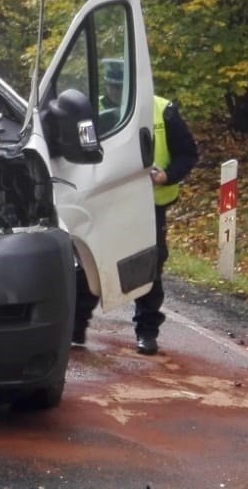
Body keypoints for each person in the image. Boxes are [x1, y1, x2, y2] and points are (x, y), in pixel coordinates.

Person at [72, 63, 199, 355]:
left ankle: (147, 331)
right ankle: (76, 328)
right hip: (104, 203)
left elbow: (188, 153)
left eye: (121, 87)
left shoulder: (163, 110)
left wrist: (167, 175)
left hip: (149, 204)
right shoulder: (91, 112)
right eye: (112, 87)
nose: (115, 92)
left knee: (148, 266)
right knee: (88, 265)